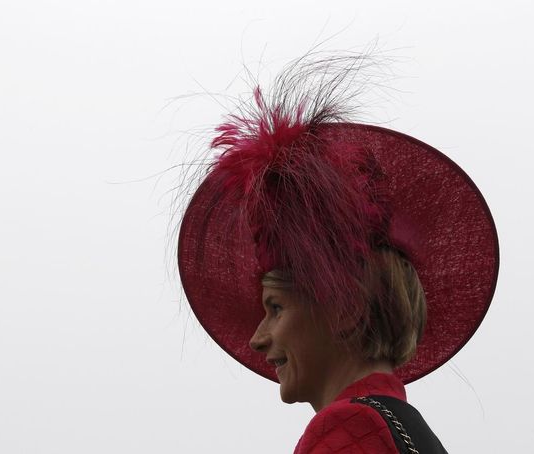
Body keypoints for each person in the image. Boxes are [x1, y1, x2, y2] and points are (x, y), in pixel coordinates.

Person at [177, 53, 499, 453]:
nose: (257, 339)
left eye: (276, 308)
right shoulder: (413, 433)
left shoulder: (347, 427)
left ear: (346, 310)